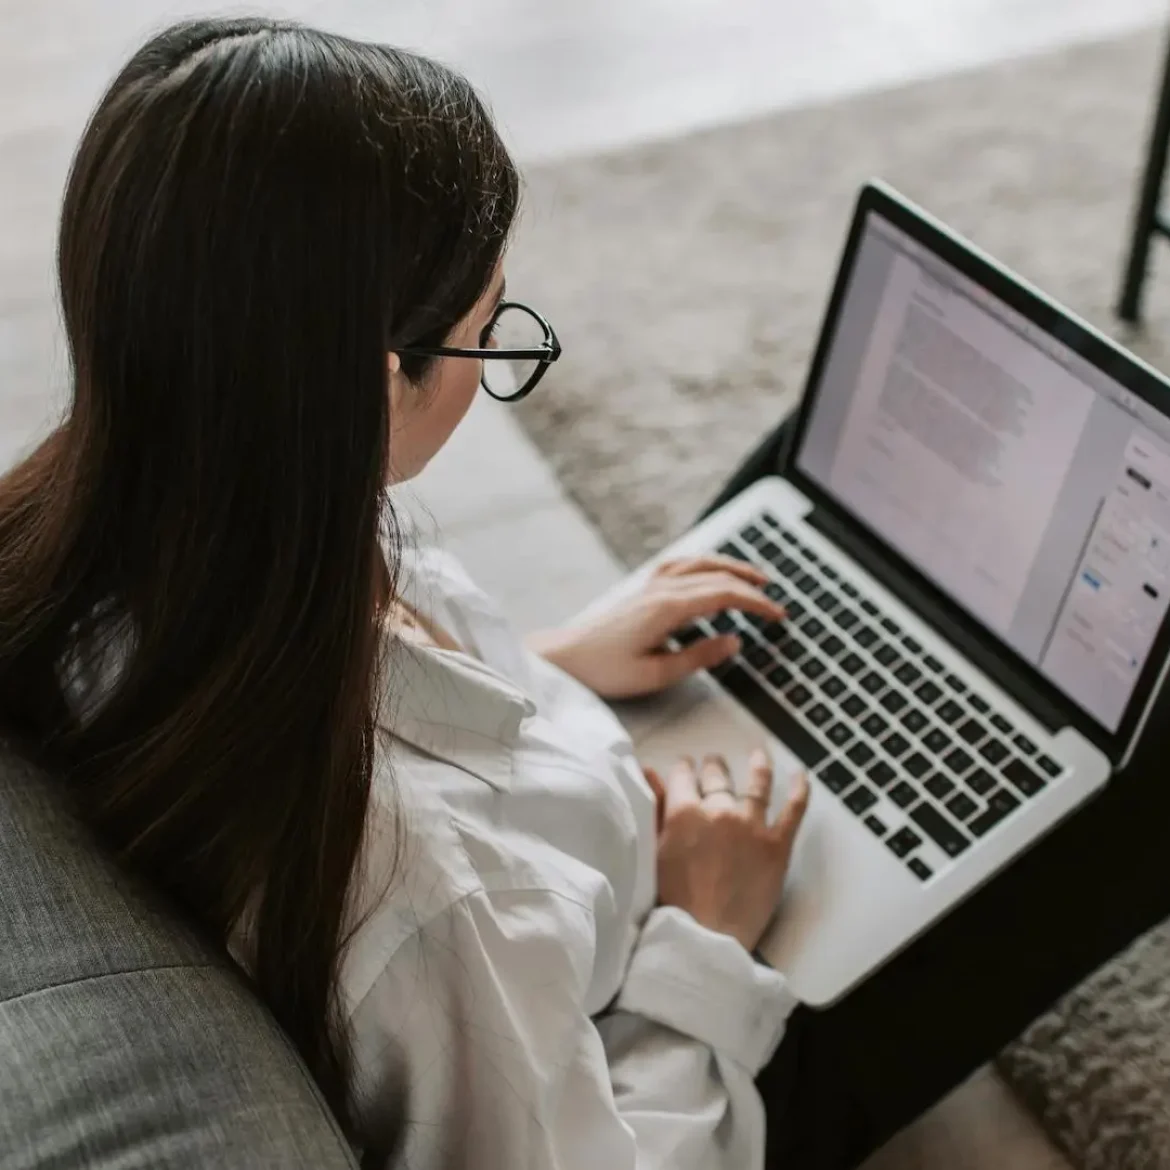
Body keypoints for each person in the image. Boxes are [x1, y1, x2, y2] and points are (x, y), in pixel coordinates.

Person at [0, 17, 808, 1169]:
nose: (496, 358)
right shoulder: (436, 899)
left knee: (788, 482)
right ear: (379, 387)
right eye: (491, 333)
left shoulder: (112, 551)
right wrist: (710, 936)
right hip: (671, 1013)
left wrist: (545, 665)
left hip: (582, 828)